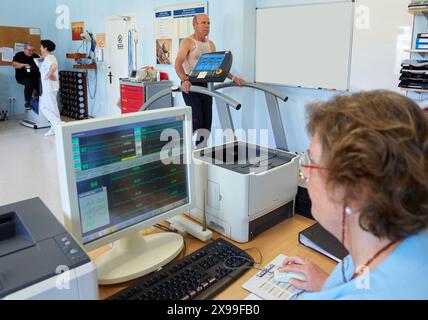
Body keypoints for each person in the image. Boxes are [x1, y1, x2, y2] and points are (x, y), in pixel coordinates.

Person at [279, 90, 428, 299]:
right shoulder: (409, 240)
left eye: (312, 162)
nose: (305, 172)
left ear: (356, 193)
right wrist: (329, 286)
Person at [175, 13, 245, 147]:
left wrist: (234, 78)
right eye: (203, 23)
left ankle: (200, 153)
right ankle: (180, 148)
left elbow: (218, 68)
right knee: (197, 121)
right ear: (195, 25)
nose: (207, 26)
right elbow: (178, 63)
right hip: (191, 85)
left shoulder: (210, 45)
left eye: (208, 23)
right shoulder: (188, 42)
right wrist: (184, 80)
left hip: (206, 86)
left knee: (206, 125)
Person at [36, 40, 60, 137]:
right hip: (51, 86)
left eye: (41, 47)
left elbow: (54, 66)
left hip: (49, 87)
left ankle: (58, 124)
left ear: (45, 48)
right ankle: (55, 127)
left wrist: (48, 75)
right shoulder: (50, 57)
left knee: (44, 107)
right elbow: (51, 68)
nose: (40, 48)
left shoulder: (48, 58)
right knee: (52, 108)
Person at [12, 42, 41, 111]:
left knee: (41, 85)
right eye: (29, 50)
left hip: (35, 77)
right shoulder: (19, 55)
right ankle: (27, 102)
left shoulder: (36, 56)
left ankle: (40, 102)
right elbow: (14, 64)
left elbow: (41, 65)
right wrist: (24, 65)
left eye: (32, 50)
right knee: (29, 82)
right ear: (24, 49)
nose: (31, 52)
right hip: (22, 77)